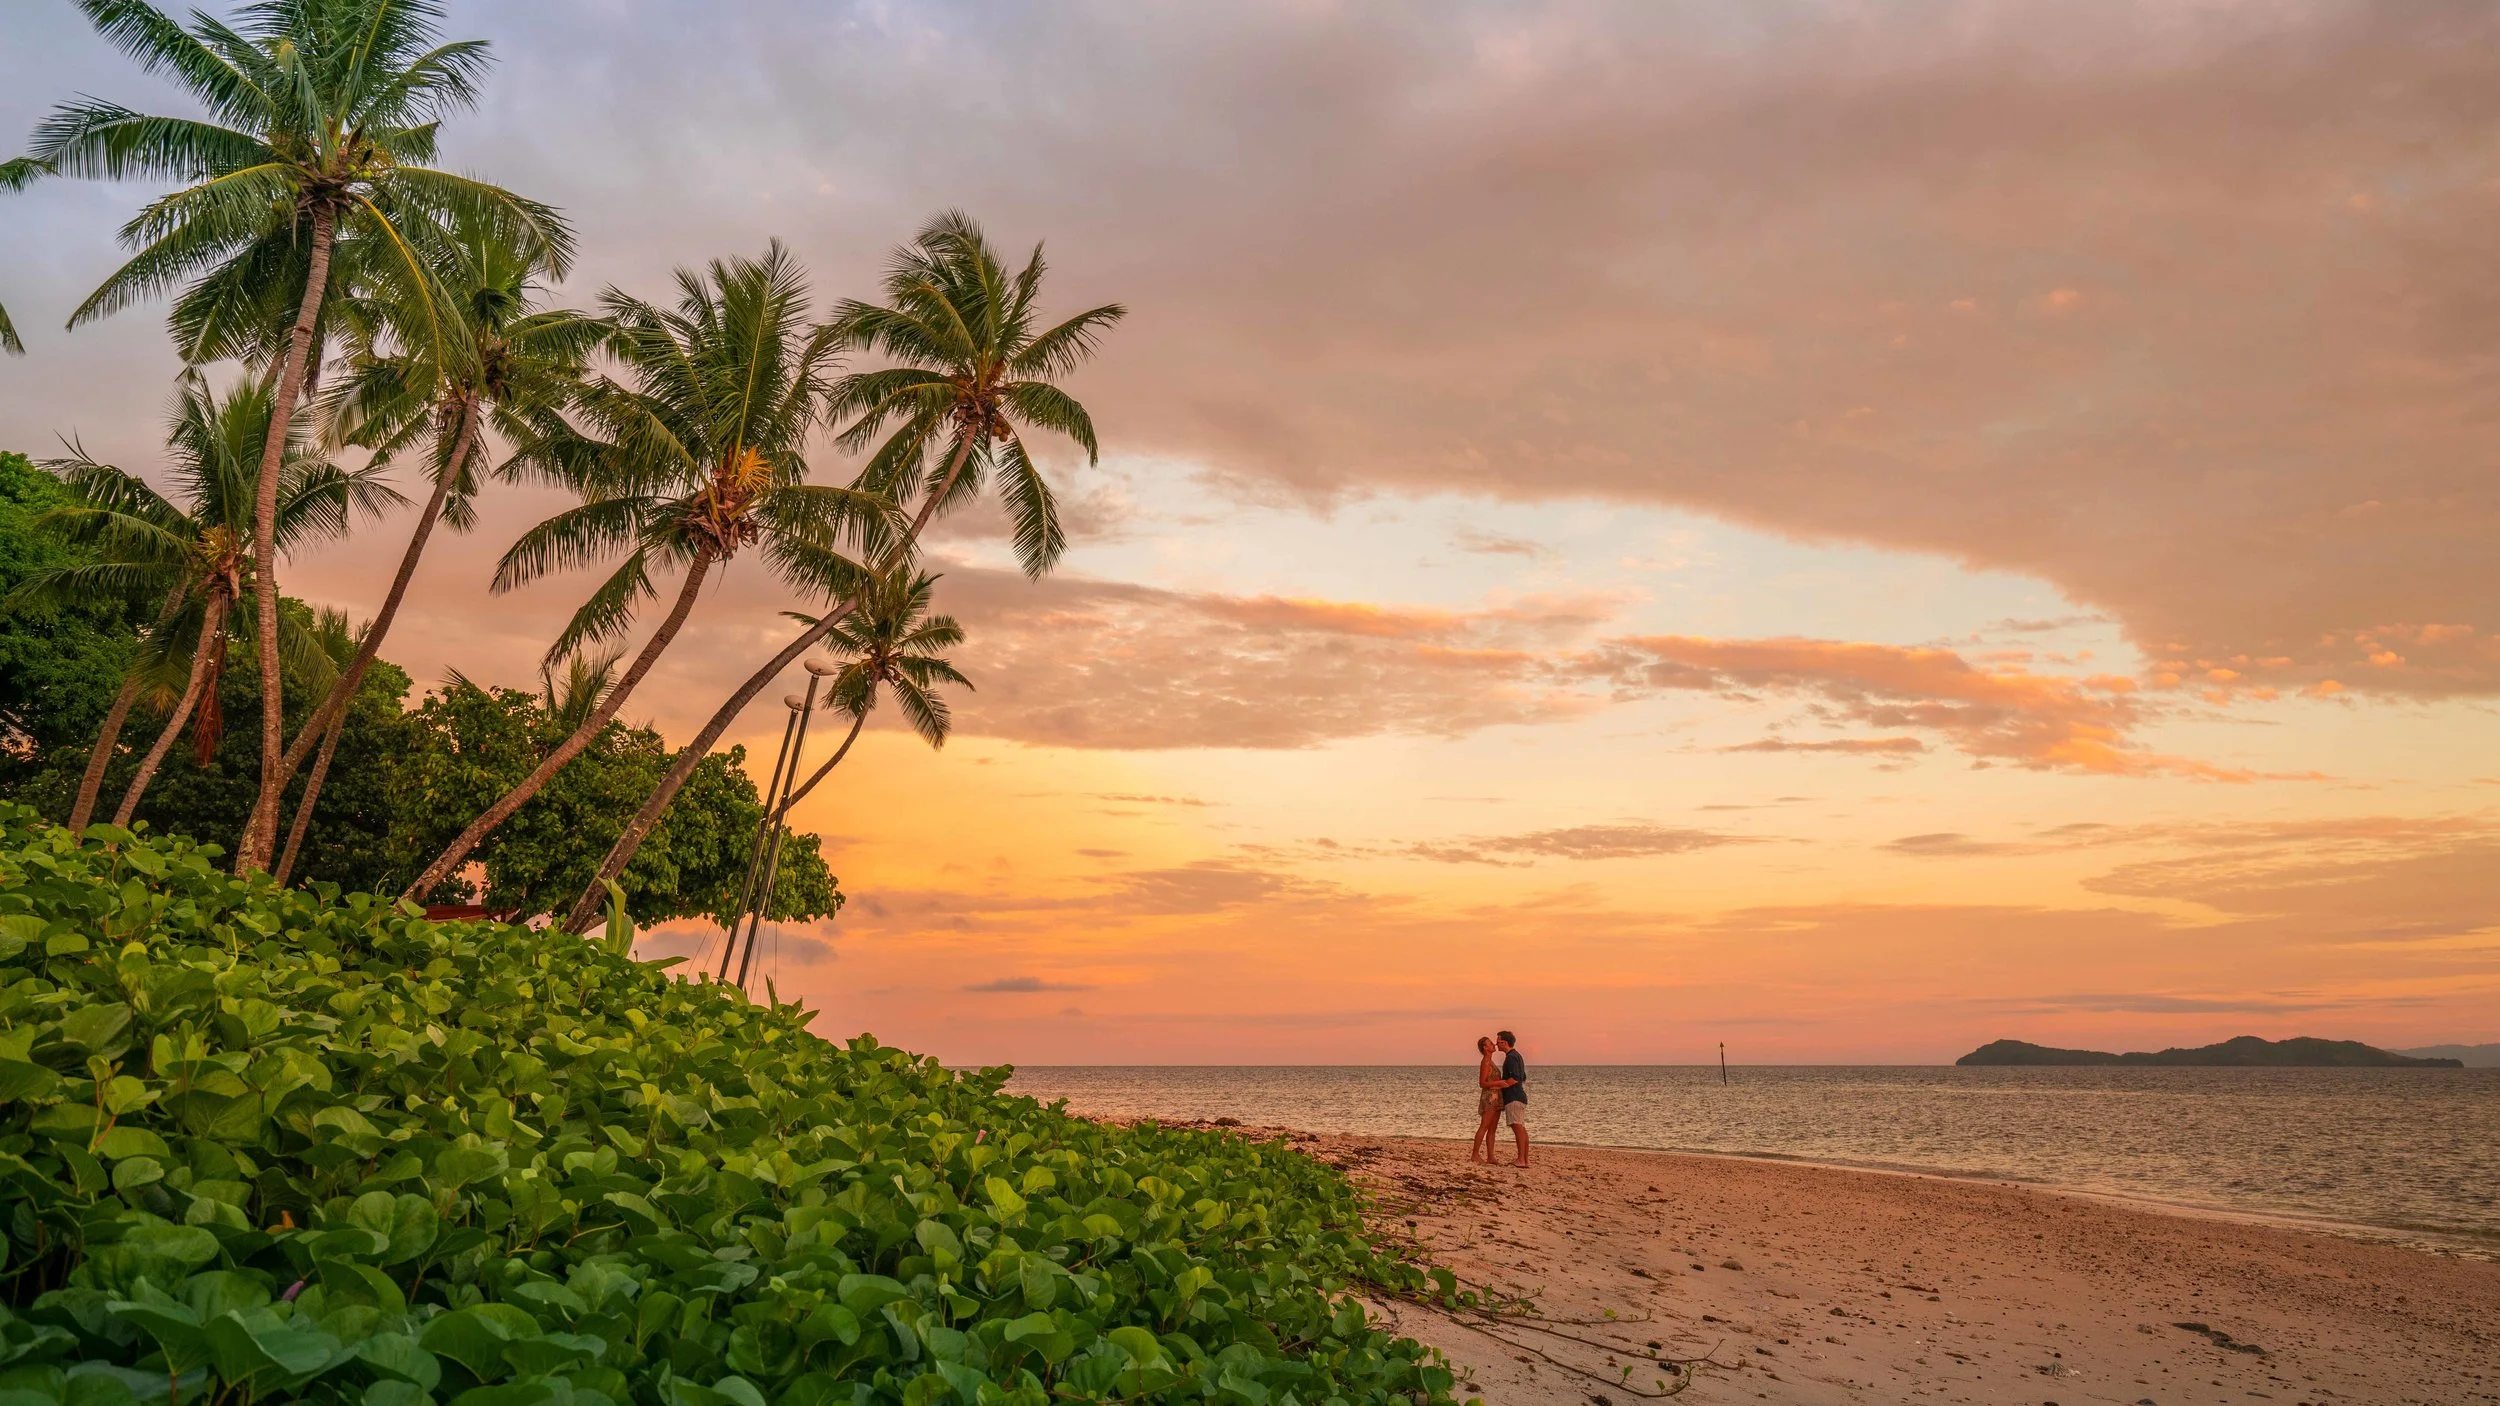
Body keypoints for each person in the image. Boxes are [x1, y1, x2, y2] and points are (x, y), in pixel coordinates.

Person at [1495, 1030, 1530, 1166]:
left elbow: (1515, 1078)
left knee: (1517, 1127)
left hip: (1514, 1097)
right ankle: (1524, 1159)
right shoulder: (1516, 1056)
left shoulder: (1512, 1057)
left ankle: (1521, 1159)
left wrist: (1498, 1085)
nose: (1497, 1044)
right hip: (1518, 1096)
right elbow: (1523, 1077)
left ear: (1504, 1042)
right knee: (1520, 1127)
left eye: (1498, 1042)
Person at [1470, 1035, 1503, 1161]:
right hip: (1490, 1097)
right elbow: (1482, 1083)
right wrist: (1500, 1083)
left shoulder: (1491, 1061)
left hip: (1496, 1097)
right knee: (1484, 1126)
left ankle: (1491, 1156)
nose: (1493, 1044)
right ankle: (1475, 1154)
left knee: (1493, 1128)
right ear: (1485, 1048)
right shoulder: (1486, 1061)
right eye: (1490, 1044)